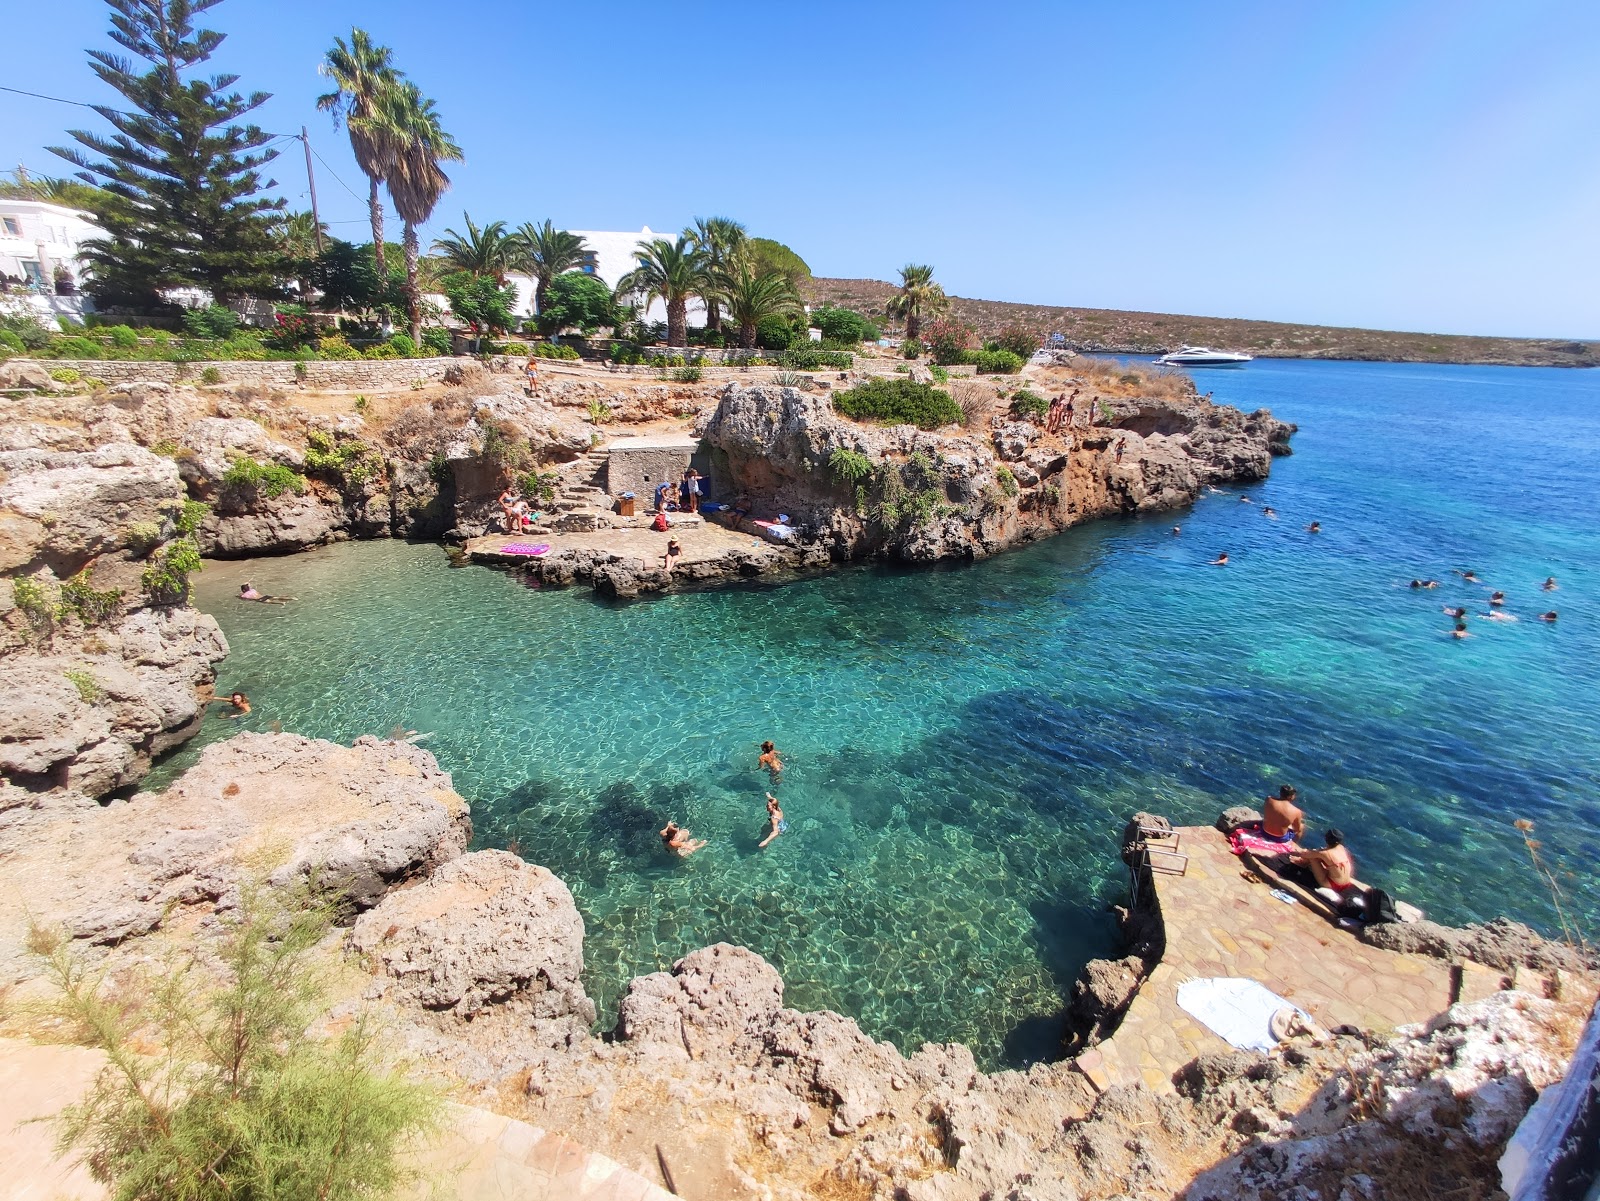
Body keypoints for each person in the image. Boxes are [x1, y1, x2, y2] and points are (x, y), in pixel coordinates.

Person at [1290, 828, 1357, 897]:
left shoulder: (1326, 853)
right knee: (1318, 855)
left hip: (1333, 885)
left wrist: (1301, 852)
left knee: (1313, 858)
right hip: (1346, 884)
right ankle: (1303, 862)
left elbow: (1306, 855)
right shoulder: (1341, 848)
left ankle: (1302, 863)